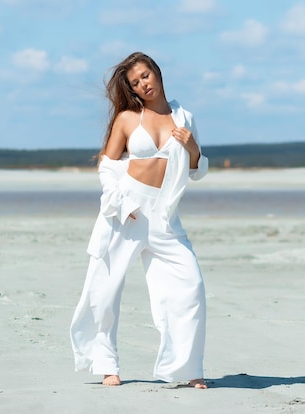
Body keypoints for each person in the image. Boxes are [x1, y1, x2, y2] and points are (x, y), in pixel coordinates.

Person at [69, 52, 208, 389]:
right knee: (105, 289)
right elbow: (108, 164)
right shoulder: (128, 119)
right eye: (135, 82)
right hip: (127, 211)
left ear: (157, 73)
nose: (143, 84)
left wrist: (191, 147)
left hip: (165, 217)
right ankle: (106, 365)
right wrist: (119, 202)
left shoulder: (184, 117)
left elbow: (198, 170)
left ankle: (187, 370)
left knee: (190, 287)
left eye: (146, 76)